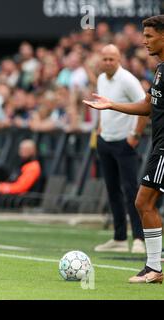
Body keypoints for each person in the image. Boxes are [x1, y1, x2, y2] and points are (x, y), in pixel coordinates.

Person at [83, 15, 164, 284]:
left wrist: (133, 133)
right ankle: (153, 267)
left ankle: (154, 266)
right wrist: (111, 105)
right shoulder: (160, 69)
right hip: (158, 145)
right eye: (144, 35)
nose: (144, 40)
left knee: (142, 200)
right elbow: (147, 106)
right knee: (143, 201)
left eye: (150, 36)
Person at [93, 44, 147, 254]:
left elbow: (145, 106)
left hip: (124, 143)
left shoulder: (127, 80)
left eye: (111, 59)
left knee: (131, 191)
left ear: (119, 59)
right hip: (105, 140)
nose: (107, 62)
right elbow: (102, 106)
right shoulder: (100, 79)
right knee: (112, 190)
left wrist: (135, 135)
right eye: (104, 59)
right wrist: (99, 129)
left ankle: (139, 238)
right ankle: (119, 237)